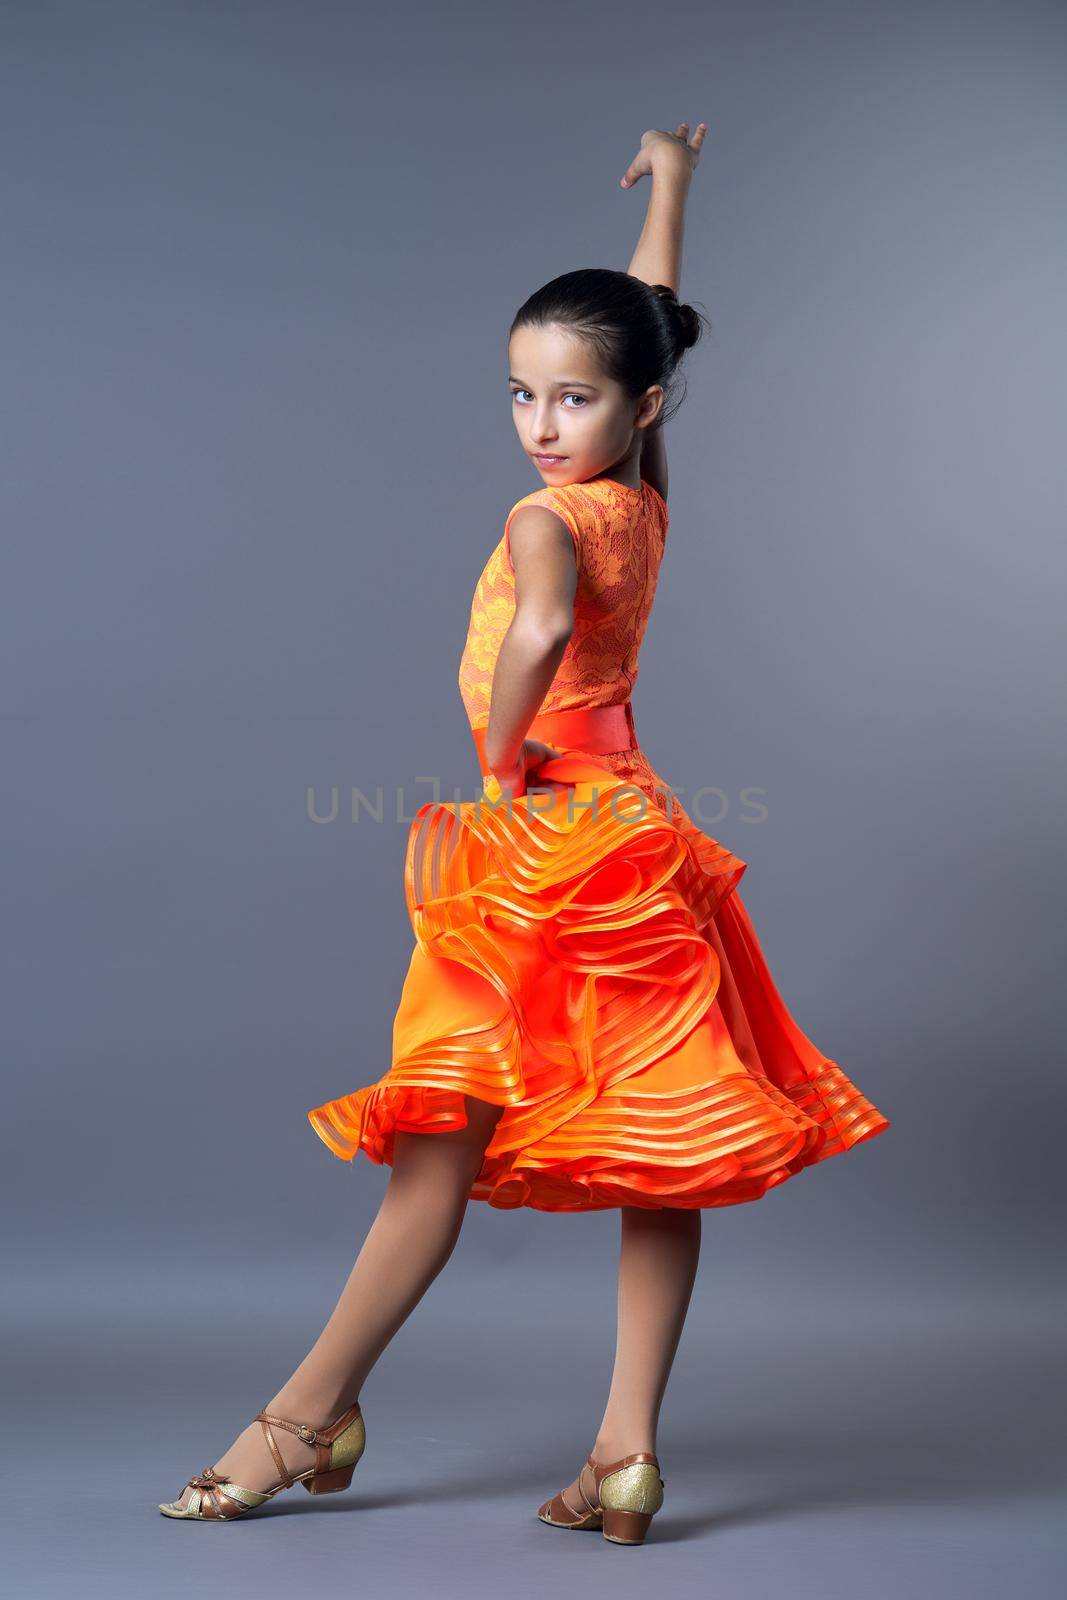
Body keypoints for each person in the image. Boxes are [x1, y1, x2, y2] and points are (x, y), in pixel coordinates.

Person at [160, 120, 890, 1545]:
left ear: (640, 406)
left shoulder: (546, 517)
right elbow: (652, 328)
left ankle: (304, 1418)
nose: (541, 421)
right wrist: (673, 190)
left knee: (441, 1143)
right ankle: (624, 1454)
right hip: (637, 837)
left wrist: (500, 756)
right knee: (655, 1145)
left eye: (569, 399)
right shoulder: (637, 499)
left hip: (548, 833)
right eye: (520, 395)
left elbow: (543, 621)